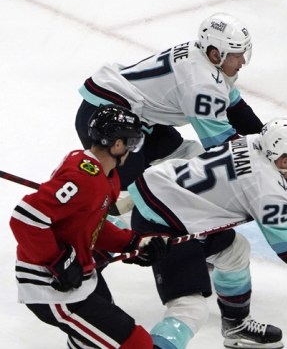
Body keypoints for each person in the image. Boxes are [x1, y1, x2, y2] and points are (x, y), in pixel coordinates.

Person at [127, 118, 287, 349]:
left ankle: (235, 326)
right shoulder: (266, 187)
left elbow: (277, 192)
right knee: (190, 308)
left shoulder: (253, 142)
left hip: (168, 201)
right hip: (164, 226)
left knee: (235, 251)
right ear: (284, 160)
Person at [10, 105, 169, 348]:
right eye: (131, 143)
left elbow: (90, 223)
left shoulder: (103, 175)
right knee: (136, 342)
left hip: (82, 278)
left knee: (91, 342)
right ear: (117, 144)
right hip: (50, 288)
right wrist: (57, 261)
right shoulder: (84, 177)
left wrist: (132, 242)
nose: (132, 150)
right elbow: (26, 218)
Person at [75, 13, 265, 193]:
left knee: (188, 157)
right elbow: (221, 146)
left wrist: (267, 141)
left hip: (136, 116)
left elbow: (237, 111)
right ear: (216, 54)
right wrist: (263, 163)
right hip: (107, 115)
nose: (242, 61)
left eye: (243, 53)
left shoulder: (205, 57)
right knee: (130, 191)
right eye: (236, 55)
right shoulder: (202, 83)